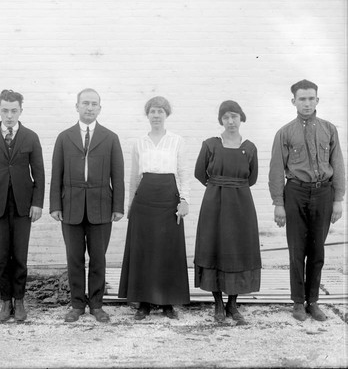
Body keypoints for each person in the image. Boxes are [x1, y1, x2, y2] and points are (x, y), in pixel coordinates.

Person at [269, 79, 345, 322]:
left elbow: (338, 165)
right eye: (302, 99)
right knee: (296, 250)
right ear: (294, 101)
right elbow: (276, 169)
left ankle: (313, 302)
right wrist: (279, 204)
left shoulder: (329, 129)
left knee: (317, 250)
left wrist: (338, 199)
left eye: (311, 98)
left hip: (324, 193)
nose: (307, 103)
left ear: (317, 100)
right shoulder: (284, 132)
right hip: (296, 193)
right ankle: (298, 303)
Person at [50, 88, 125, 323]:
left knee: (98, 258)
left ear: (100, 108)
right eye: (85, 103)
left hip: (101, 206)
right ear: (77, 107)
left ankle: (96, 304)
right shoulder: (64, 137)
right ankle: (76, 304)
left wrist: (118, 206)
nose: (89, 108)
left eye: (94, 104)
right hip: (70, 206)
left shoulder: (110, 137)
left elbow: (118, 175)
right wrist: (55, 205)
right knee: (74, 258)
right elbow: (56, 174)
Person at [0, 89, 45, 322]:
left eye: (14, 111)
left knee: (20, 257)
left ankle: (20, 302)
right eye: (5, 110)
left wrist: (37, 203)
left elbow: (40, 174)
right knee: (2, 257)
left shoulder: (31, 137)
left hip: (23, 206)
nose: (9, 115)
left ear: (20, 111)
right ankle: (6, 303)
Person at [118, 96, 191, 320]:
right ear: (147, 115)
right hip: (145, 198)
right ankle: (144, 302)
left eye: (160, 111)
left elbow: (183, 174)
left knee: (168, 250)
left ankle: (168, 302)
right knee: (144, 251)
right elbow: (133, 177)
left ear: (166, 114)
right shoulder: (139, 143)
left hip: (168, 196)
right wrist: (130, 205)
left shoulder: (177, 141)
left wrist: (184, 200)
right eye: (152, 111)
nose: (156, 115)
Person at [194, 100, 261, 325]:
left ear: (241, 118)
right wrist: (218, 187)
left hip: (241, 205)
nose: (230, 121)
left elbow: (251, 178)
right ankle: (218, 303)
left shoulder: (250, 147)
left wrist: (232, 188)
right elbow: (199, 173)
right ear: (221, 120)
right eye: (225, 117)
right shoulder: (211, 144)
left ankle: (233, 303)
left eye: (234, 116)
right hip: (214, 203)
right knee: (214, 247)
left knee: (238, 249)